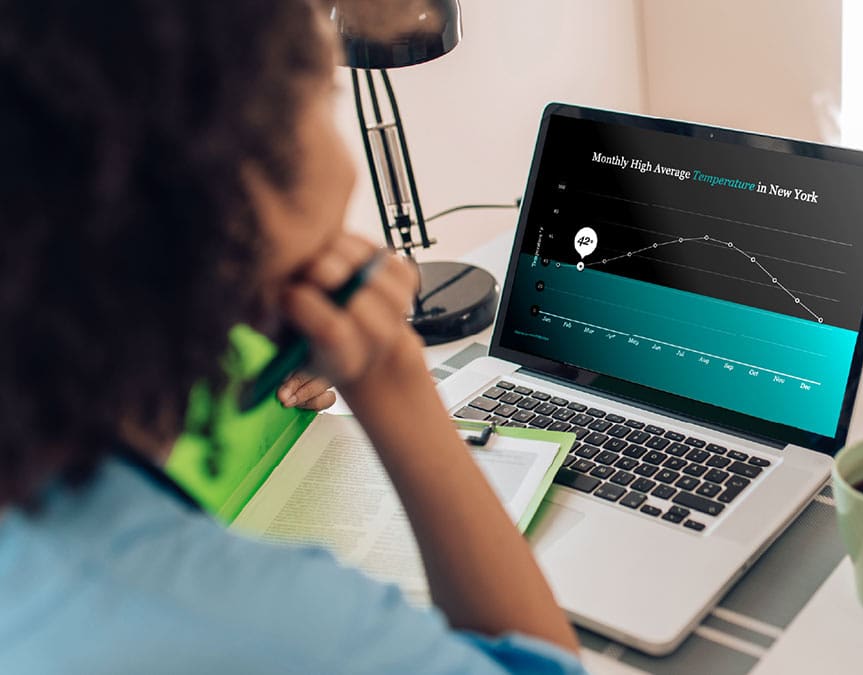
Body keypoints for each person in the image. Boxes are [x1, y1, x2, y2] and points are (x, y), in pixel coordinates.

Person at [0, 1, 582, 672]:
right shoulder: (302, 635)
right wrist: (396, 384)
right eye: (326, 93)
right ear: (236, 177)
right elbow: (541, 665)